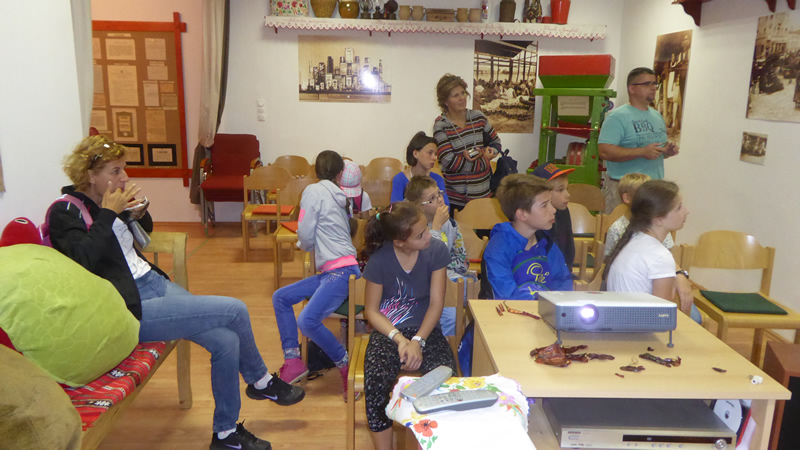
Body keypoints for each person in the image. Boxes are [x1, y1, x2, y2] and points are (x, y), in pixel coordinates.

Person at [48, 135, 304, 450]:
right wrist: (109, 214)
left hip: (153, 283)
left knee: (227, 341)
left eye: (123, 169)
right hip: (125, 307)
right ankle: (260, 381)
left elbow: (144, 233)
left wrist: (136, 211)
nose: (124, 177)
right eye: (115, 171)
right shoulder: (65, 211)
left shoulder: (108, 199)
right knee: (235, 309)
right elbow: (81, 260)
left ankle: (225, 435)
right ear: (90, 175)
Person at [360, 201, 455, 450]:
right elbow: (372, 311)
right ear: (400, 242)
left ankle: (429, 443)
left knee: (445, 380)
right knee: (376, 381)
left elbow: (436, 303)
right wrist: (400, 339)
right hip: (388, 333)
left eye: (427, 228)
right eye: (420, 235)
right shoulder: (380, 260)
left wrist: (417, 341)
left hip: (426, 331)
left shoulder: (436, 251)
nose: (428, 236)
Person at [271, 150, 361, 400]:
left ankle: (345, 366)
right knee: (281, 297)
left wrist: (304, 244)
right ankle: (293, 361)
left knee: (307, 321)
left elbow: (305, 232)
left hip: (341, 272)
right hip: (336, 271)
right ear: (340, 174)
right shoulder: (339, 196)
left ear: (315, 170)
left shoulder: (313, 191)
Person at [603, 180, 701, 323]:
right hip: (638, 331)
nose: (687, 211)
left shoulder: (633, 241)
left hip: (621, 325)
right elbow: (662, 318)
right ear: (658, 219)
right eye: (679, 207)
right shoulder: (660, 256)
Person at [598, 67, 680, 214]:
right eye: (647, 84)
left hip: (653, 190)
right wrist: (642, 152)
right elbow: (605, 151)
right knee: (620, 228)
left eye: (655, 84)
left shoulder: (656, 116)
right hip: (624, 190)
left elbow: (654, 152)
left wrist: (666, 152)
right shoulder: (617, 117)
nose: (653, 88)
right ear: (632, 88)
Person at [483, 174, 573, 300]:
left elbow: (563, 283)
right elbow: (506, 295)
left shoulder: (547, 243)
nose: (553, 210)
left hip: (544, 310)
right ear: (522, 214)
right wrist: (543, 305)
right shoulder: (498, 247)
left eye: (551, 203)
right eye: (544, 205)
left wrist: (556, 305)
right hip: (507, 311)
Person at [404, 175, 469, 335]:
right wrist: (436, 229)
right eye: (432, 199)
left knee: (459, 310)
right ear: (419, 206)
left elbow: (461, 261)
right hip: (418, 287)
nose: (440, 200)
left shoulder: (450, 224)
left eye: (439, 194)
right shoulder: (410, 228)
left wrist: (449, 271)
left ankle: (445, 345)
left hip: (446, 282)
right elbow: (423, 263)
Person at [432, 73, 502, 213]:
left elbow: (496, 143)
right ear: (445, 101)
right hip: (456, 201)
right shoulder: (441, 126)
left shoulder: (478, 118)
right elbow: (449, 162)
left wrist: (490, 152)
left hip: (484, 196)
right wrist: (485, 161)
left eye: (463, 93)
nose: (462, 98)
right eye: (455, 95)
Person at [531, 162, 576, 268]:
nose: (567, 195)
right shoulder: (535, 218)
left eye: (567, 189)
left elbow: (569, 248)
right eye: (560, 190)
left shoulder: (563, 211)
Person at [390, 131, 450, 206]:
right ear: (416, 153)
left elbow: (446, 207)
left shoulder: (437, 178)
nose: (434, 158)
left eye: (435, 154)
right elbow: (395, 208)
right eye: (430, 153)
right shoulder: (400, 179)